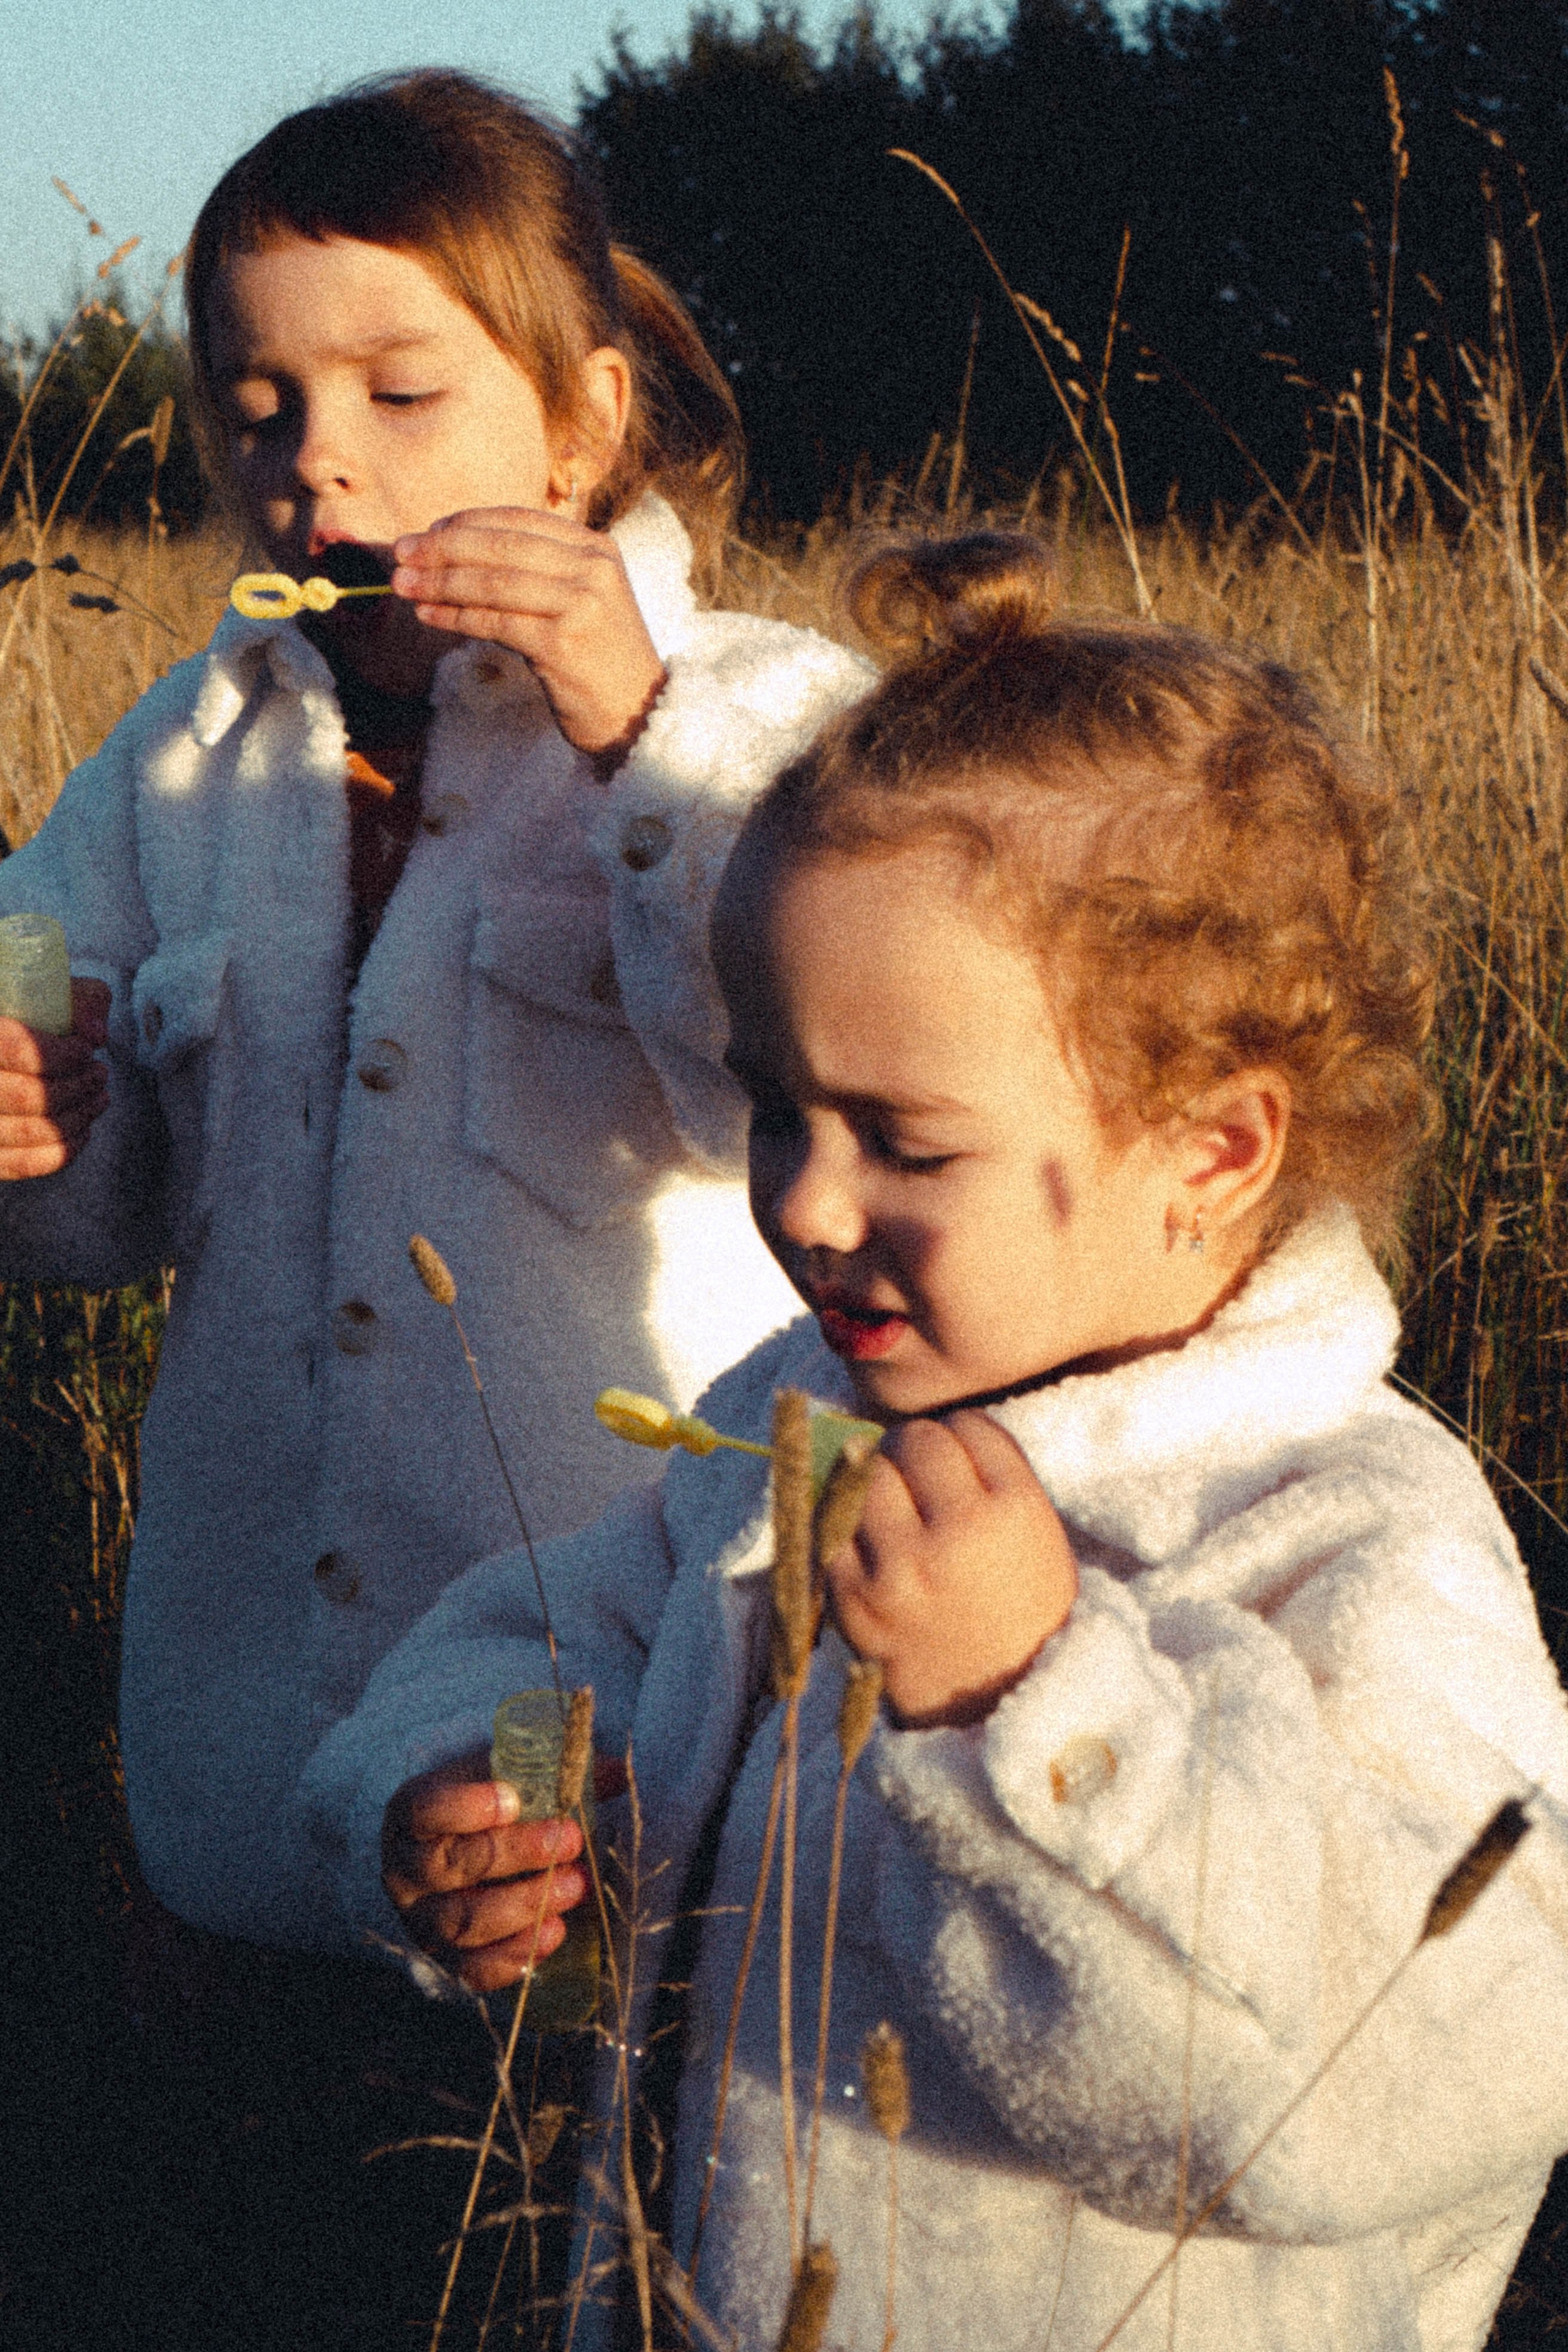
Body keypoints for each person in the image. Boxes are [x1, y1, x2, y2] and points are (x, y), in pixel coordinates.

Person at [309, 532, 1568, 2351]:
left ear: (1212, 1150)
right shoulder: (789, 1428)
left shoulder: (1342, 1531)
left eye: (903, 1138)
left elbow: (1426, 2068)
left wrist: (1035, 1711)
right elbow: (561, 1636)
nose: (807, 1203)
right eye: (773, 1108)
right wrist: (485, 1785)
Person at [0, 71, 869, 1956]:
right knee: (268, 2166)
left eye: (403, 395)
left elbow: (801, 1091)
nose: (320, 461)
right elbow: (94, 1218)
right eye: (259, 406)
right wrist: (40, 1135)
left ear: (582, 421)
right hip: (242, 1752)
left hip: (610, 1688)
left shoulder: (764, 721)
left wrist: (636, 735)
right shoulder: (180, 762)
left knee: (551, 2103)